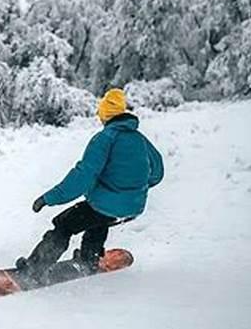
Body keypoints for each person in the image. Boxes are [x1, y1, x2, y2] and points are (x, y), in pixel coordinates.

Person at [16, 88, 164, 277]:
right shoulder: (141, 139)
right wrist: (132, 189)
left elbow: (83, 177)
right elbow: (157, 173)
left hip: (107, 205)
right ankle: (89, 258)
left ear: (105, 114)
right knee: (99, 218)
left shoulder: (105, 138)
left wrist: (48, 198)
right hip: (133, 208)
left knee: (64, 224)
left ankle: (32, 271)